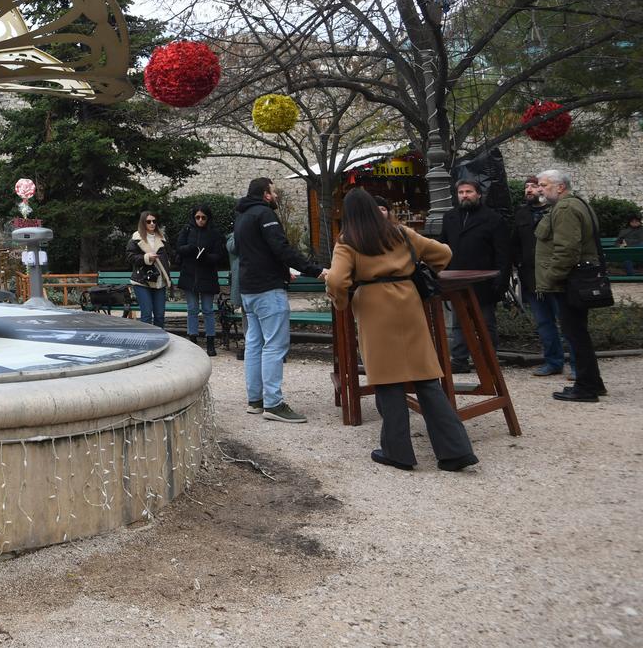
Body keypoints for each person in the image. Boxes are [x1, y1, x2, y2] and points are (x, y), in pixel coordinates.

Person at [325, 188, 478, 472]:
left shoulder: (349, 241)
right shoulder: (400, 233)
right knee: (426, 378)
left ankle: (398, 452)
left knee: (387, 380)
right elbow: (443, 253)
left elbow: (336, 280)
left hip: (374, 308)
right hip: (409, 303)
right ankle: (455, 451)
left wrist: (342, 301)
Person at [233, 177, 324, 423]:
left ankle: (256, 400)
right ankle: (273, 403)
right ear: (266, 194)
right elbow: (281, 248)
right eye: (273, 191)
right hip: (267, 290)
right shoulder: (264, 214)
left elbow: (252, 253)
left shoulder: (241, 217)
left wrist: (284, 271)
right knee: (274, 346)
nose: (276, 195)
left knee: (254, 344)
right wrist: (315, 270)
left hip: (248, 288)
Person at [536, 168, 608, 403]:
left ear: (560, 187)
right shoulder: (577, 204)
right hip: (574, 279)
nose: (540, 189)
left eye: (544, 185)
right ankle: (593, 383)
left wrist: (549, 278)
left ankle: (586, 388)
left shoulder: (566, 208)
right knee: (578, 334)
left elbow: (567, 250)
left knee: (575, 334)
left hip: (569, 282)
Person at [434, 176, 512, 373]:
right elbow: (442, 248)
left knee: (485, 322)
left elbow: (503, 253)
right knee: (458, 322)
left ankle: (488, 359)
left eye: (468, 192)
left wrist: (501, 282)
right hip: (456, 280)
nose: (464, 196)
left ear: (478, 194)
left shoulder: (494, 219)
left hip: (484, 281)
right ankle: (459, 360)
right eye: (461, 192)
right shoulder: (450, 217)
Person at [513, 175, 568, 377]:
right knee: (544, 322)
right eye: (526, 186)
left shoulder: (557, 211)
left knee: (567, 321)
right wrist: (520, 262)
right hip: (531, 278)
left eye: (534, 186)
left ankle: (580, 366)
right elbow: (516, 243)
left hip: (555, 277)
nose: (529, 190)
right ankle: (553, 361)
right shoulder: (521, 214)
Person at [176, 206, 229, 356]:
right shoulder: (187, 230)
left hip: (207, 274)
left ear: (208, 218)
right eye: (197, 217)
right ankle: (192, 340)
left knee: (208, 310)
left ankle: (210, 341)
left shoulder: (214, 233)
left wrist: (206, 257)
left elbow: (219, 254)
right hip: (190, 274)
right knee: (192, 309)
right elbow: (179, 247)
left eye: (203, 217)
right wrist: (190, 249)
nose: (200, 220)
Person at [125, 210, 174, 328]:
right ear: (143, 223)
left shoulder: (162, 238)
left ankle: (160, 340)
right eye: (148, 221)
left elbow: (169, 255)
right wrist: (146, 258)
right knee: (146, 314)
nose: (152, 223)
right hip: (142, 280)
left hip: (159, 280)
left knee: (159, 315)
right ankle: (146, 342)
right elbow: (130, 257)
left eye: (154, 221)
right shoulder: (136, 238)